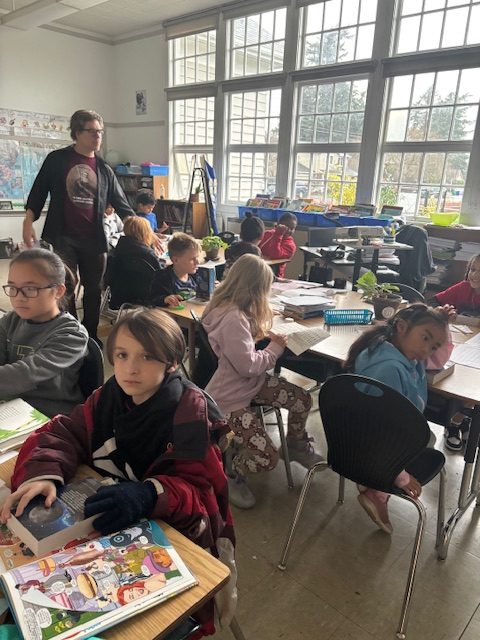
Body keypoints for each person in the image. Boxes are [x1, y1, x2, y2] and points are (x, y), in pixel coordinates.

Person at [0, 308, 236, 636]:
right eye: (122, 355)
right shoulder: (110, 395)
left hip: (170, 540)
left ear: (171, 362)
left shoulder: (190, 415)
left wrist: (148, 494)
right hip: (106, 525)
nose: (130, 368)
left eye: (147, 357)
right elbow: (65, 431)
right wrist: (43, 473)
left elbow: (202, 498)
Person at [202, 254, 322, 509]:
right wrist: (275, 347)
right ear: (255, 289)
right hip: (230, 398)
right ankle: (230, 472)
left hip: (249, 384)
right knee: (267, 458)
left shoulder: (234, 311)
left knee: (302, 399)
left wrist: (261, 331)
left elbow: (241, 349)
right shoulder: (232, 318)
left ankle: (295, 443)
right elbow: (248, 366)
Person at [22, 109, 134, 346]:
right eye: (91, 131)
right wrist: (28, 221)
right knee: (67, 288)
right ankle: (72, 333)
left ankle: (90, 335)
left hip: (95, 238)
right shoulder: (57, 160)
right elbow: (38, 191)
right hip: (64, 236)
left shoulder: (104, 169)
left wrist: (142, 230)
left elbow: (122, 204)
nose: (98, 136)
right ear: (76, 133)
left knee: (94, 289)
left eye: (100, 132)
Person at [343, 303, 450, 534]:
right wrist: (400, 476)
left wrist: (444, 325)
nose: (427, 350)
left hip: (353, 438)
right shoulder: (390, 370)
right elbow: (382, 433)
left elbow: (438, 361)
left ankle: (373, 481)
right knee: (428, 442)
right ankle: (377, 490)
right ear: (401, 327)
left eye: (434, 346)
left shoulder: (387, 348)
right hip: (371, 447)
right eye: (425, 338)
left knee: (428, 438)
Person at [0, 248, 88, 417]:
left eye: (30, 289)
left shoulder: (72, 335)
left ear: (58, 291)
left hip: (51, 417)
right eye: (12, 287)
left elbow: (25, 374)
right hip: (11, 407)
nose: (18, 297)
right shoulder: (11, 320)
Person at [105, 217, 165, 309]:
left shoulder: (117, 250)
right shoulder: (148, 254)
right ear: (145, 232)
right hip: (146, 297)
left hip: (120, 295)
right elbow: (160, 275)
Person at [151, 233, 200, 307]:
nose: (197, 262)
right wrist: (165, 299)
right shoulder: (162, 278)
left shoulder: (198, 276)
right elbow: (152, 300)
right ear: (176, 260)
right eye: (192, 259)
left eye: (197, 257)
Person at [223, 213, 264, 277]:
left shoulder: (233, 246)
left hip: (227, 280)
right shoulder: (254, 251)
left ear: (241, 233)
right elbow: (261, 273)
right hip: (243, 282)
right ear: (261, 236)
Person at [258, 212, 297, 279]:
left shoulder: (291, 245)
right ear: (278, 224)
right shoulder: (267, 234)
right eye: (286, 226)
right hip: (258, 269)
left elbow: (274, 255)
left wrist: (278, 235)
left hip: (273, 275)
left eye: (292, 228)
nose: (289, 230)